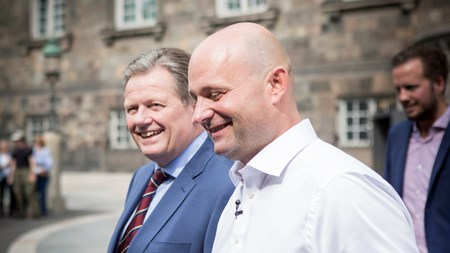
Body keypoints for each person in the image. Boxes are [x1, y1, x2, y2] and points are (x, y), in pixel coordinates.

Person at [188, 22, 419, 253]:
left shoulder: (341, 189)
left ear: (275, 84)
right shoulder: (241, 189)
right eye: (195, 99)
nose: (199, 115)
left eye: (215, 94)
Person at [107, 48, 234, 253]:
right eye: (132, 109)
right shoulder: (142, 177)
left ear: (194, 106)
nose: (140, 119)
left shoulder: (229, 181)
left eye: (155, 105)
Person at [385, 43, 450, 253]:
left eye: (411, 87)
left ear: (439, 83)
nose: (403, 97)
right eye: (398, 89)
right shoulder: (397, 136)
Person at [9, 131, 40, 219]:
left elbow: (31, 162)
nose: (16, 143)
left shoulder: (28, 150)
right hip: (17, 171)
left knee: (29, 192)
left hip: (26, 170)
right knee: (18, 192)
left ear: (22, 140)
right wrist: (11, 176)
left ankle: (36, 212)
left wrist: (32, 174)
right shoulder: (15, 151)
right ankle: (21, 212)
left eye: (18, 141)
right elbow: (13, 164)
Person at [32, 135, 53, 216]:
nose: (36, 144)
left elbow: (50, 163)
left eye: (38, 143)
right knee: (33, 193)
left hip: (43, 174)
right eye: (35, 142)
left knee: (42, 193)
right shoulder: (33, 151)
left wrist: (43, 168)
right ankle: (35, 210)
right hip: (35, 174)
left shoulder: (45, 151)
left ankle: (43, 211)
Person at [0, 140, 13, 217]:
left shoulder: (10, 154)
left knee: (11, 193)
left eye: (5, 146)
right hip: (1, 176)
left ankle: (11, 211)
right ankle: (1, 210)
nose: (3, 148)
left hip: (8, 175)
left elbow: (12, 164)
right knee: (1, 193)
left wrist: (10, 176)